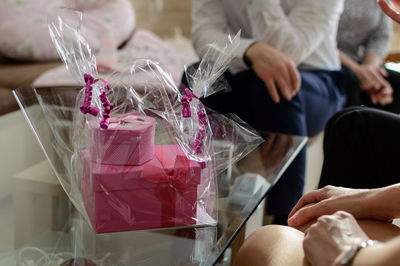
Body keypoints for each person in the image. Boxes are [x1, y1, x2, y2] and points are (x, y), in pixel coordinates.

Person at [188, 0, 347, 224]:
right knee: (194, 78)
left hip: (315, 79)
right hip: (247, 70)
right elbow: (203, 34)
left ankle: (285, 220)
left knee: (274, 88)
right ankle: (196, 202)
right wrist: (250, 50)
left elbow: (288, 52)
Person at [337, 0, 400, 114]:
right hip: (330, 58)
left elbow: (380, 38)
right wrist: (358, 70)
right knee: (351, 79)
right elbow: (322, 38)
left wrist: (370, 70)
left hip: (361, 62)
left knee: (395, 85)